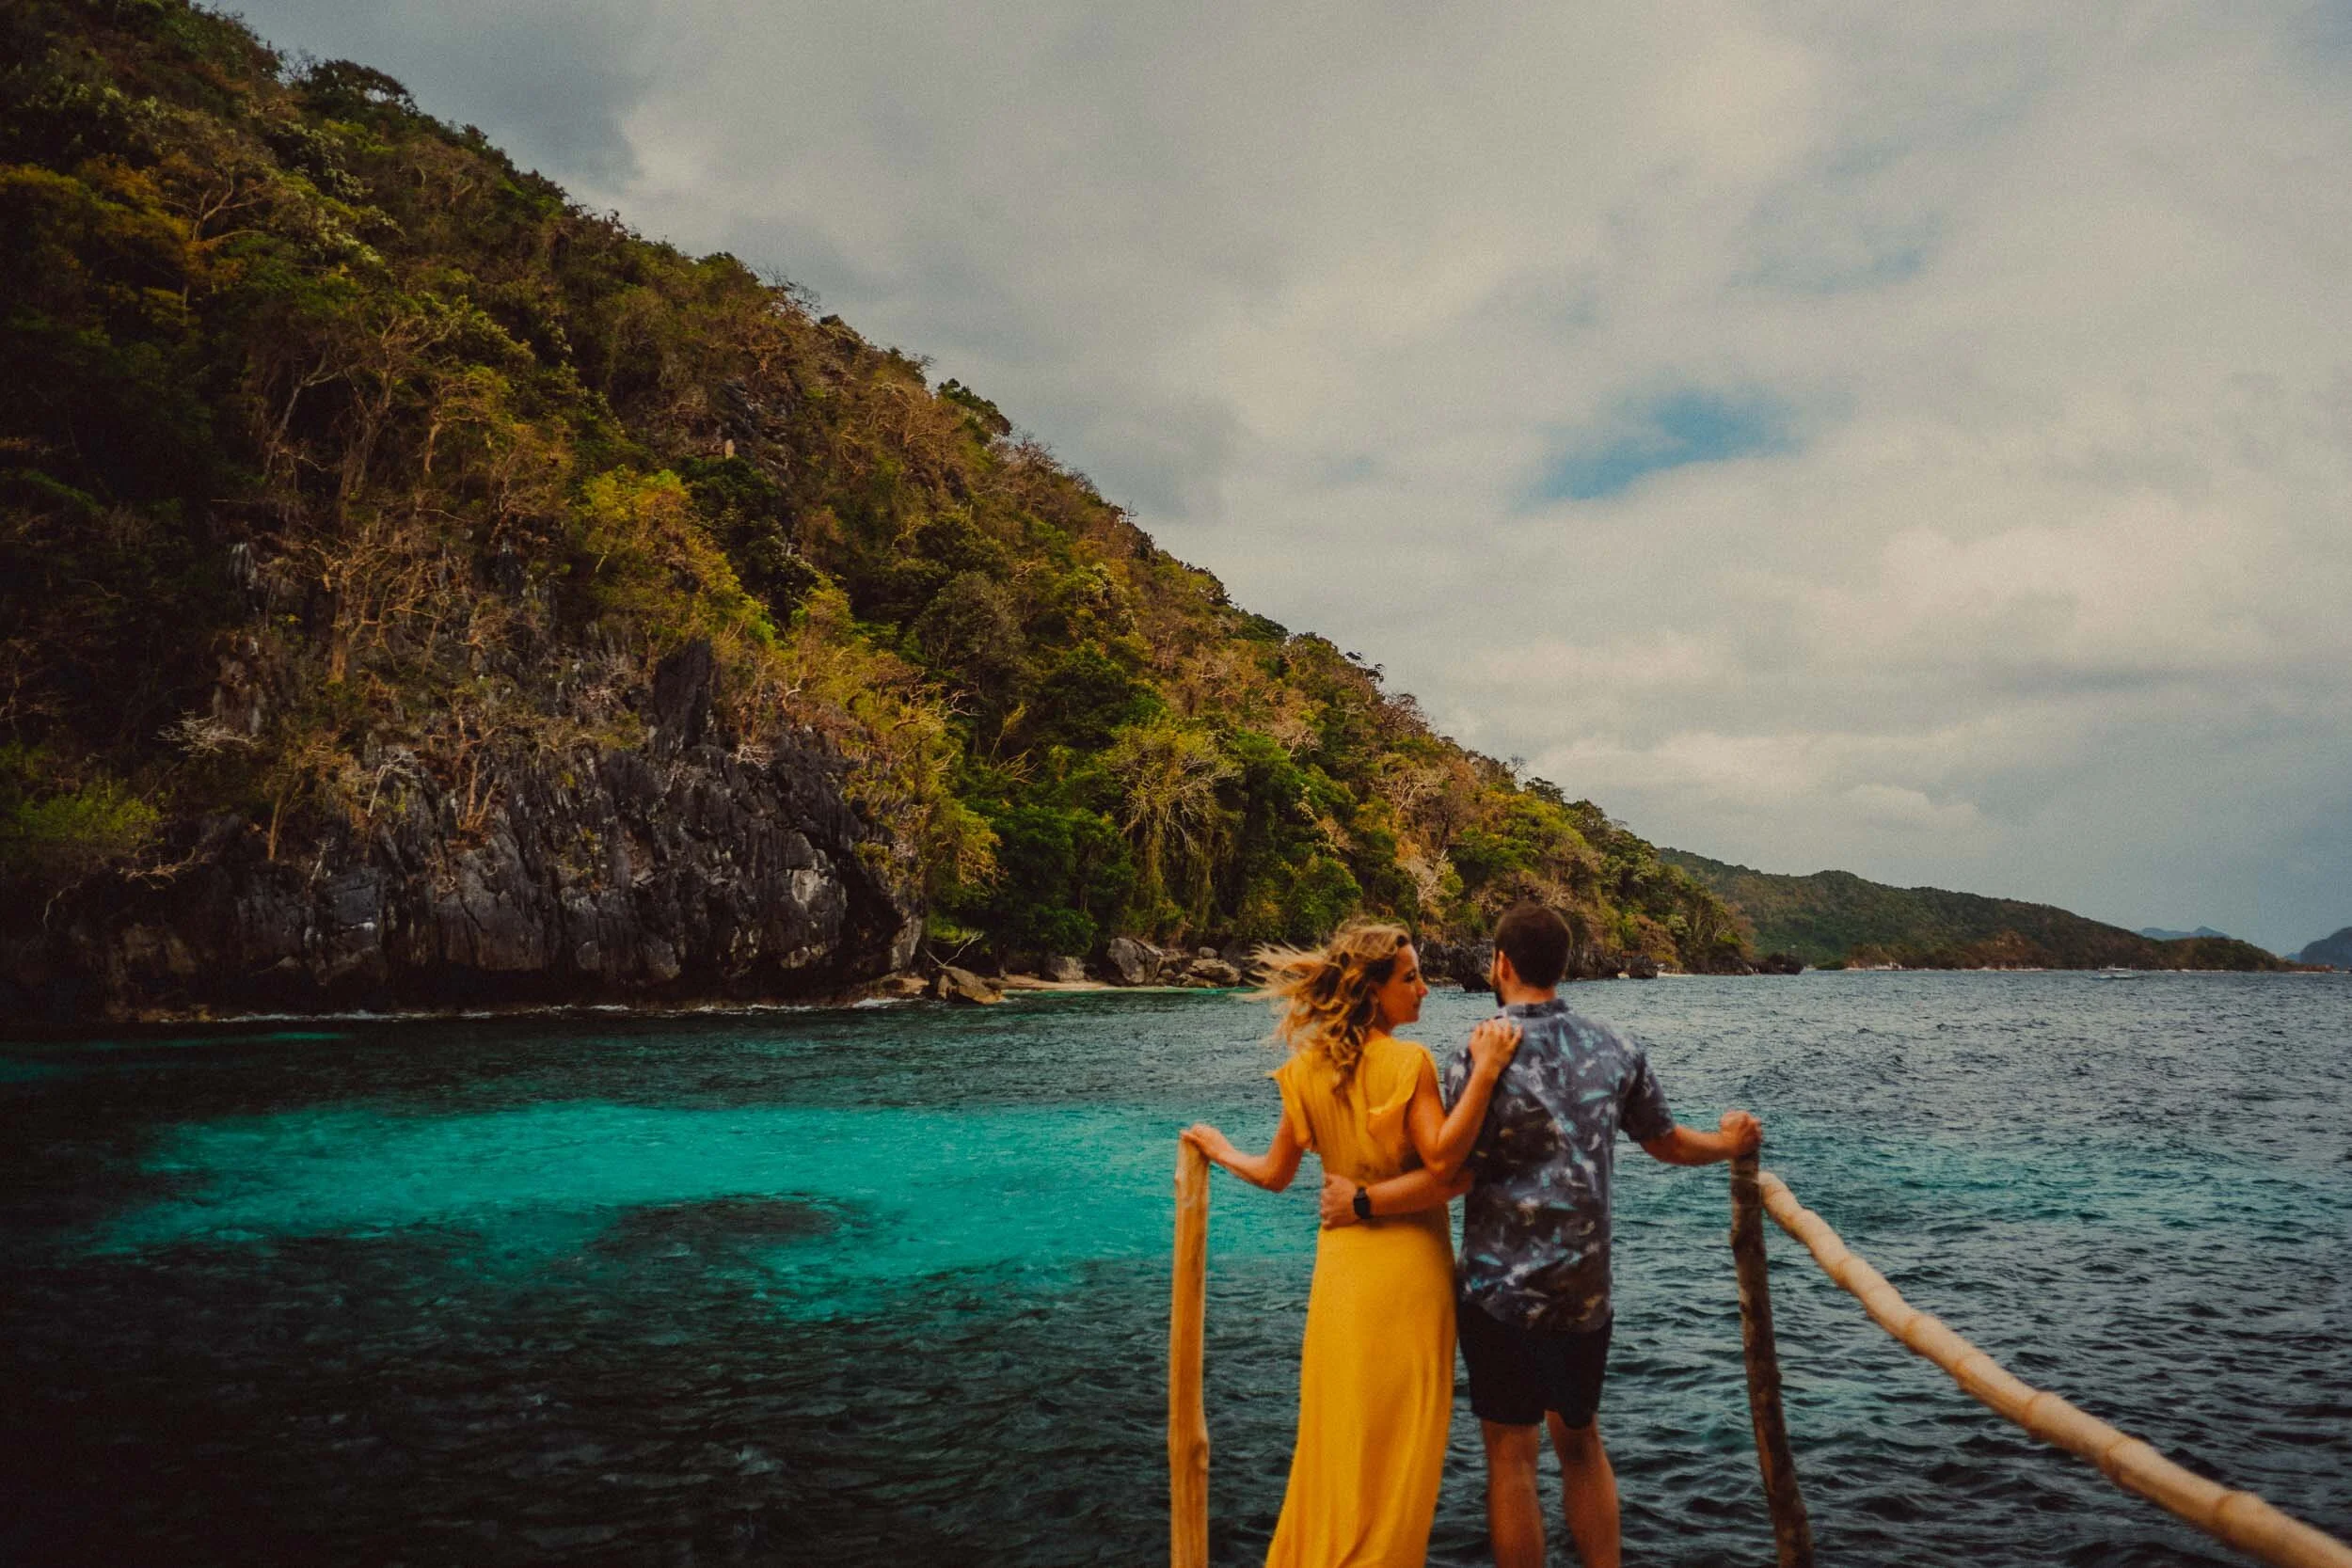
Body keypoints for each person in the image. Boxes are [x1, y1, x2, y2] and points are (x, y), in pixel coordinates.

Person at [1319, 902, 1762, 1568]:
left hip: (1499, 1292)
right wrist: (1730, 1142)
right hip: (1583, 1292)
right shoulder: (1616, 1046)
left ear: (1500, 964)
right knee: (1581, 1443)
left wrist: (1361, 1200)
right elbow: (1667, 1144)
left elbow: (1450, 1173)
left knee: (1510, 1458)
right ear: (1566, 964)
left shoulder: (1476, 1053)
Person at [1181, 922, 1523, 1568]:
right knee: (1399, 1456)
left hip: (1340, 1280)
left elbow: (1277, 1175)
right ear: (1371, 990)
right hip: (1408, 1279)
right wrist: (1487, 1078)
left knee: (1336, 1443)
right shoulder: (1409, 1062)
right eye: (1409, 977)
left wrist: (1221, 1149)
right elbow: (1446, 1169)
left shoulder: (1308, 1069)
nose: (1424, 989)